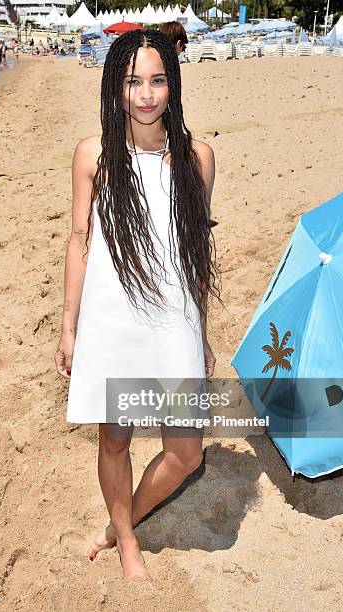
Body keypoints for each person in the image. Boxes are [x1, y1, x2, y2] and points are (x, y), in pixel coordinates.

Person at [55, 29, 221, 580]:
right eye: (133, 82)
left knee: (186, 453)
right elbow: (79, 241)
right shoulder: (94, 156)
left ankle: (112, 525)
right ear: (115, 88)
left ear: (172, 85)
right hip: (112, 314)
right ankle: (127, 541)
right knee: (116, 436)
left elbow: (195, 254)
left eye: (156, 80)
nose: (145, 94)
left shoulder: (198, 156)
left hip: (174, 315)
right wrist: (68, 324)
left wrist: (201, 336)